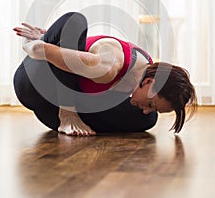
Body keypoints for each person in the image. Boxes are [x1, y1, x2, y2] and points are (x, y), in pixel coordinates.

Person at [13, 12, 197, 136]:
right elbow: (39, 50)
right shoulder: (107, 66)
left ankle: (71, 118)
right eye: (150, 104)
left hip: (49, 110)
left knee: (147, 119)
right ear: (149, 81)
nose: (146, 108)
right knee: (75, 20)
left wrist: (47, 38)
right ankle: (68, 115)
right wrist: (44, 43)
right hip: (33, 87)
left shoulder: (145, 65)